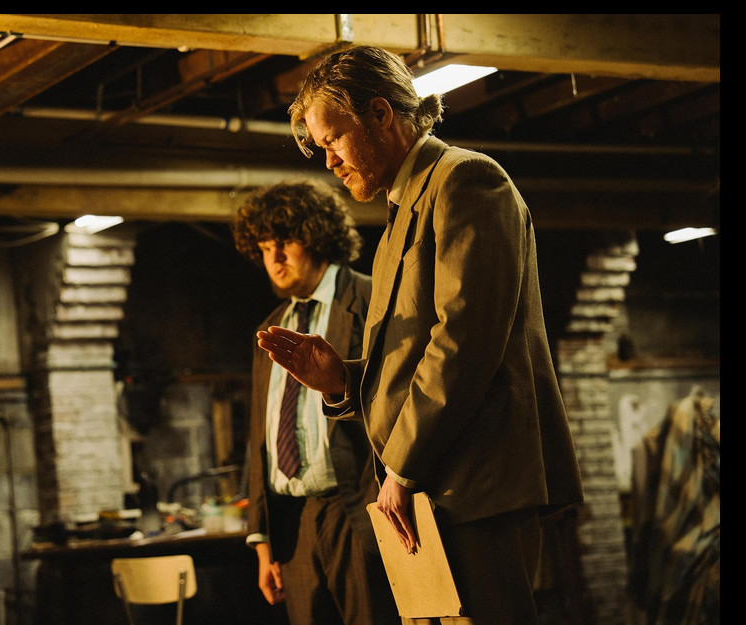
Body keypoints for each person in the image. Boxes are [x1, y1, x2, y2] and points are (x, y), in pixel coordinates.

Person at [256, 45, 584, 625]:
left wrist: (402, 468)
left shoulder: (466, 180)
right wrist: (342, 382)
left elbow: (464, 343)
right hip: (429, 493)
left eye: (334, 140)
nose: (329, 162)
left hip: (474, 489)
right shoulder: (398, 215)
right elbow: (412, 361)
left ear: (381, 114)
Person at [234, 180, 399, 625]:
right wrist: (261, 539)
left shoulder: (372, 299)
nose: (274, 258)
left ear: (317, 235)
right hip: (293, 522)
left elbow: (403, 400)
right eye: (264, 247)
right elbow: (262, 437)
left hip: (361, 511)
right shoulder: (272, 327)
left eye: (284, 242)